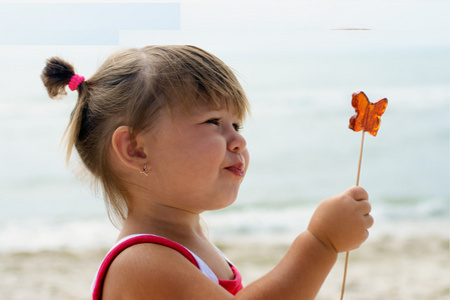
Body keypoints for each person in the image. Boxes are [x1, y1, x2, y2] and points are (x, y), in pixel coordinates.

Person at [41, 45, 373, 300]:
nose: (239, 140)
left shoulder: (189, 240)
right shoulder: (141, 262)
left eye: (236, 124)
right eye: (213, 122)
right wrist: (320, 244)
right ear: (136, 148)